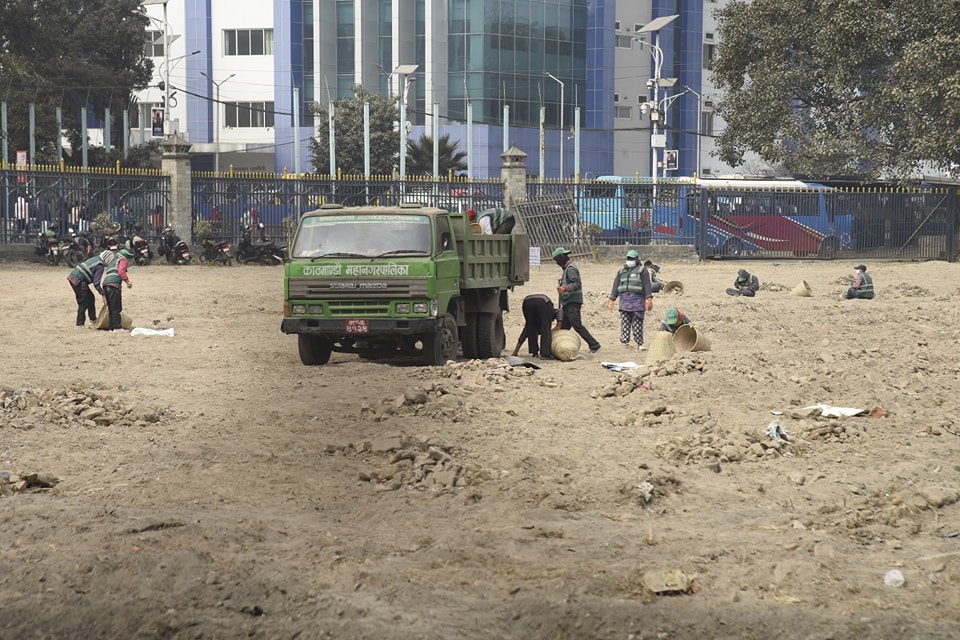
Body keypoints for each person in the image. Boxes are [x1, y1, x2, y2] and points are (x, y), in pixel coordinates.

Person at [553, 246, 602, 354]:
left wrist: (565, 288)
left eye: (557, 260)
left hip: (572, 302)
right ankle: (560, 347)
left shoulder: (571, 269)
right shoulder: (567, 269)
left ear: (561, 258)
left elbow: (576, 284)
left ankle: (594, 344)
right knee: (564, 327)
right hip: (568, 303)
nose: (557, 263)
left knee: (577, 325)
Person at [608, 249, 652, 350]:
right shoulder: (621, 271)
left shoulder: (642, 271)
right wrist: (612, 299)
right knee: (625, 322)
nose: (629, 260)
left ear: (636, 259)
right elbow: (616, 285)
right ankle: (624, 342)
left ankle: (639, 343)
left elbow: (647, 285)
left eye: (632, 259)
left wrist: (648, 298)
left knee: (637, 322)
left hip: (637, 301)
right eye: (628, 258)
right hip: (624, 302)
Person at [66, 251, 112, 327]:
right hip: (79, 281)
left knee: (90, 297)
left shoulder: (95, 259)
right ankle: (79, 323)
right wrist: (102, 293)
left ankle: (93, 319)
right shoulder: (100, 266)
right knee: (83, 301)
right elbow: (96, 283)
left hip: (73, 277)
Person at [512, 293, 558, 360]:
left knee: (530, 326)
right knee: (545, 328)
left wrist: (516, 351)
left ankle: (535, 352)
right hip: (543, 302)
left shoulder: (538, 319)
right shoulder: (556, 312)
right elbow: (556, 326)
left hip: (527, 302)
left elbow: (526, 331)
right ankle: (545, 354)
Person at [102, 248, 133, 332]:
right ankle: (117, 327)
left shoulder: (112, 262)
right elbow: (121, 272)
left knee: (111, 307)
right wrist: (127, 281)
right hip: (114, 284)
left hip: (105, 284)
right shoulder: (123, 260)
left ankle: (112, 327)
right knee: (116, 307)